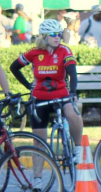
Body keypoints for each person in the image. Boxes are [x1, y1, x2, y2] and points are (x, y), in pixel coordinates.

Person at [9, 20, 85, 179]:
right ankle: (37, 179)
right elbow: (14, 67)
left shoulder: (64, 50)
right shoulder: (34, 52)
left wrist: (73, 92)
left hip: (61, 95)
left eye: (59, 34)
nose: (57, 37)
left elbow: (72, 73)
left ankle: (78, 147)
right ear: (44, 37)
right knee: (39, 142)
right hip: (39, 98)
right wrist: (28, 85)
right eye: (53, 35)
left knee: (73, 114)